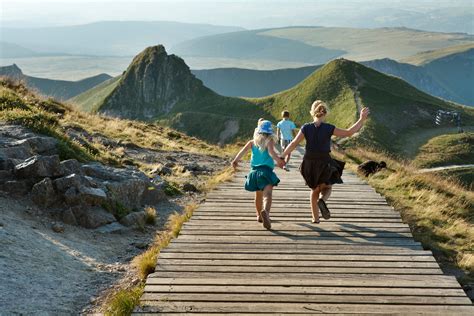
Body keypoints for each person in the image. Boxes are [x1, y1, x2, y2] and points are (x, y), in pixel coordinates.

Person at [282, 100, 370, 223]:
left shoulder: (306, 128)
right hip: (324, 161)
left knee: (314, 190)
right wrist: (361, 119)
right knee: (327, 187)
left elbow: (293, 143)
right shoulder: (329, 128)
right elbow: (349, 132)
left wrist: (282, 156)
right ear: (325, 113)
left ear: (312, 112)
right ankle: (322, 200)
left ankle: (315, 218)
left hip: (309, 162)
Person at [232, 120, 285, 229]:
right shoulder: (269, 141)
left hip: (254, 173)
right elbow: (271, 152)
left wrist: (235, 160)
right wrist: (279, 161)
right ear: (270, 132)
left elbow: (242, 151)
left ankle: (258, 215)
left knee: (258, 196)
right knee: (267, 195)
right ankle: (265, 212)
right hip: (266, 172)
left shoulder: (252, 142)